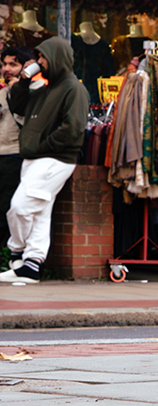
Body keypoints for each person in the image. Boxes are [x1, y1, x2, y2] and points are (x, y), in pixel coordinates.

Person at [1, 37, 89, 284]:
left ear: (56, 58)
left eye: (42, 58)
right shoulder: (44, 87)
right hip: (36, 157)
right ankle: (32, 265)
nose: (38, 62)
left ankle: (17, 252)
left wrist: (43, 145)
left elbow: (73, 128)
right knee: (40, 212)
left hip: (54, 158)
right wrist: (24, 80)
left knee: (19, 207)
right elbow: (18, 105)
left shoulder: (75, 89)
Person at [0, 45, 26, 267]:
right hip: (2, 152)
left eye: (13, 64)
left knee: (9, 207)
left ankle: (10, 256)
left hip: (15, 154)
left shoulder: (29, 90)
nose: (7, 68)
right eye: (4, 64)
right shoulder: (2, 91)